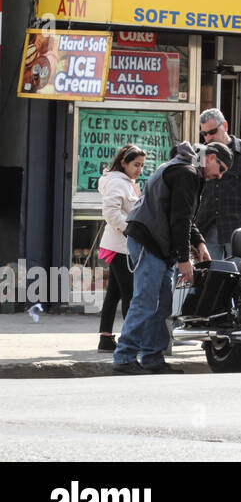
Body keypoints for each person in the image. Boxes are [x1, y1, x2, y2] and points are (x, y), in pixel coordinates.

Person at [112, 142, 230, 375]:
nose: (219, 176)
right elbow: (179, 218)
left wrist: (199, 242)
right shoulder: (186, 173)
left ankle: (152, 357)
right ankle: (125, 357)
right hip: (149, 242)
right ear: (211, 158)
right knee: (145, 301)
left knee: (163, 303)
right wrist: (184, 258)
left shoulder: (186, 168)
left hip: (157, 244)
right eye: (221, 168)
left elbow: (183, 216)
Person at [194, 108, 241, 261]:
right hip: (207, 226)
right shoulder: (201, 153)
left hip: (239, 227)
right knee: (209, 276)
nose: (208, 137)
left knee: (239, 276)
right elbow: (192, 189)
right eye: (204, 134)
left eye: (212, 132)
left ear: (225, 126)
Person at [96, 144, 145, 352]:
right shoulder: (118, 182)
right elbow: (111, 212)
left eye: (142, 165)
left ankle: (106, 339)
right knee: (130, 294)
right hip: (121, 247)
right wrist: (130, 230)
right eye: (136, 164)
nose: (139, 169)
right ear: (123, 162)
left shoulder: (126, 182)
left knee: (114, 294)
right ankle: (130, 340)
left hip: (119, 245)